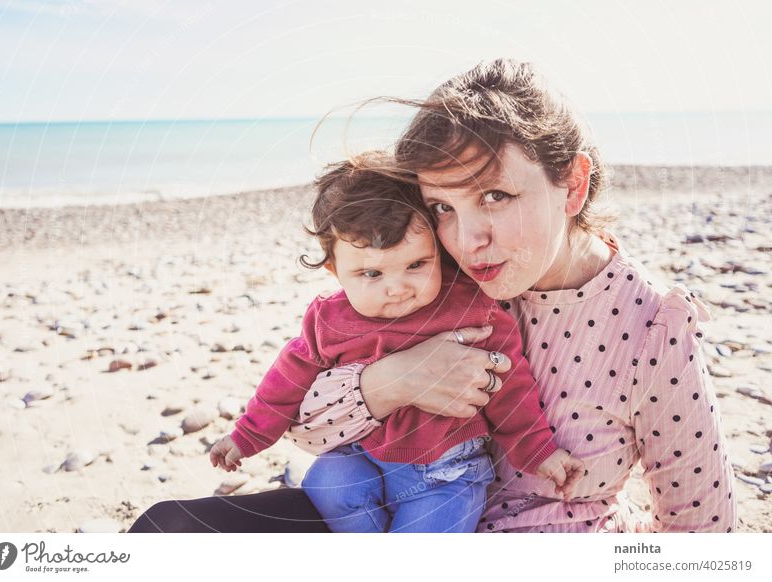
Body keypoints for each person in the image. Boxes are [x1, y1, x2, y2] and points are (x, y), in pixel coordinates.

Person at [128, 58, 736, 533]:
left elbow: (703, 534)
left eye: (495, 195)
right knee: (169, 529)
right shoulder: (428, 281)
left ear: (571, 184)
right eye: (444, 206)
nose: (469, 238)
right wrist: (392, 382)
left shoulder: (653, 326)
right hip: (379, 511)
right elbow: (308, 432)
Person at [207, 154, 583, 533]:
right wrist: (246, 437)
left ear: (438, 250)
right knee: (326, 481)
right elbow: (285, 385)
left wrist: (539, 452)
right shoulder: (328, 320)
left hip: (445, 474)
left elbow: (513, 386)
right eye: (371, 273)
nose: (398, 287)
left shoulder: (470, 308)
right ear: (334, 271)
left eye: (417, 265)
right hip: (363, 458)